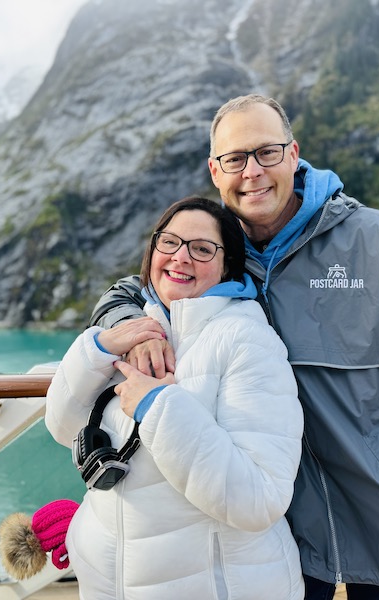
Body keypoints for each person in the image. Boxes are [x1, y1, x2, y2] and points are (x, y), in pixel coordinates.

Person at [89, 94, 379, 599]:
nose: (252, 172)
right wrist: (133, 326)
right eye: (235, 159)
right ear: (215, 171)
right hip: (282, 536)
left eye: (267, 152)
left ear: (293, 153)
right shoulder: (215, 254)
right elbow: (131, 289)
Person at [44, 196, 305, 599]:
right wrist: (100, 347)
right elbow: (63, 428)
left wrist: (158, 407)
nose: (180, 257)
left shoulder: (246, 340)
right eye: (169, 242)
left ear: (227, 266)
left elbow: (259, 498)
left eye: (202, 249)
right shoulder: (139, 329)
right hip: (114, 583)